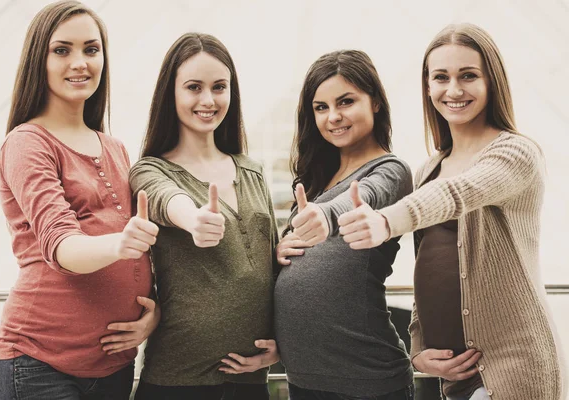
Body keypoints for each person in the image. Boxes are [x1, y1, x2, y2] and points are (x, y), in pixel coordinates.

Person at [337, 23, 564, 400]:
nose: (453, 90)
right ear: (427, 87)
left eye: (468, 76)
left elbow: (459, 193)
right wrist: (419, 347)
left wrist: (385, 220)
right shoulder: (428, 169)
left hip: (514, 369)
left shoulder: (516, 154)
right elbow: (426, 266)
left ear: (492, 82)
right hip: (456, 377)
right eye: (441, 77)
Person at [0, 2, 160, 399]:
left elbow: (144, 251)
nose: (80, 62)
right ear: (39, 60)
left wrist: (153, 313)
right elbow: (61, 245)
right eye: (62, 50)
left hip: (113, 365)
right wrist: (121, 245)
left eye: (91, 49)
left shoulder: (115, 148)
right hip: (38, 364)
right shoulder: (27, 143)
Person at [129, 32, 279, 400]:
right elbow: (167, 200)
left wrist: (280, 346)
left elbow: (274, 268)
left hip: (250, 379)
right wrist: (194, 219)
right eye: (194, 87)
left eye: (219, 87)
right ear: (171, 94)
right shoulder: (150, 170)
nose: (208, 100)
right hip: (178, 381)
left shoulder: (252, 171)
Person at [274, 50, 415, 400]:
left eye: (346, 102)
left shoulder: (390, 171)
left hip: (367, 380)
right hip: (305, 379)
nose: (333, 117)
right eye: (320, 107)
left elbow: (364, 196)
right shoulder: (315, 179)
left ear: (376, 102)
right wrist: (279, 248)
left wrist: (324, 216)